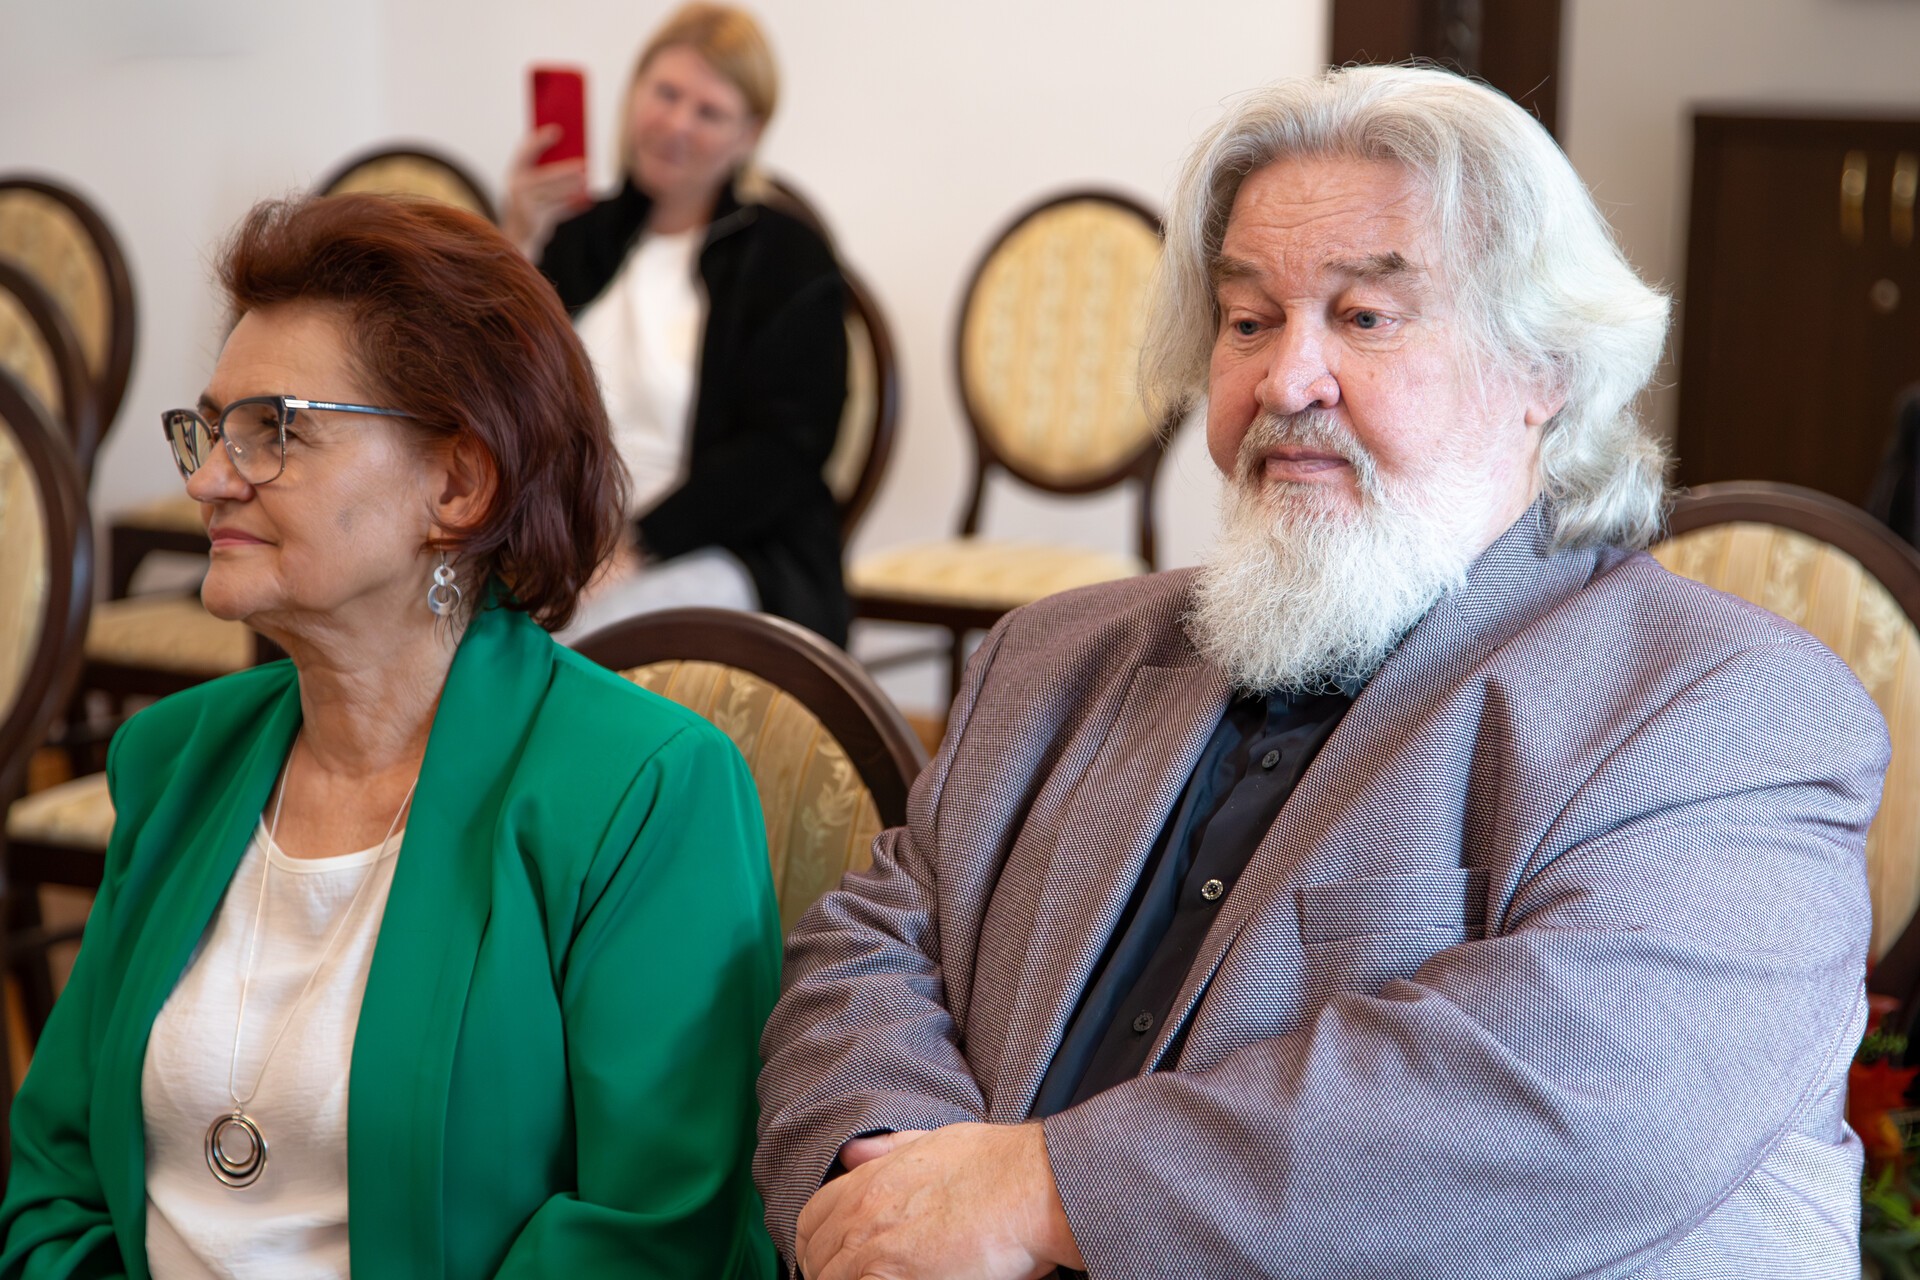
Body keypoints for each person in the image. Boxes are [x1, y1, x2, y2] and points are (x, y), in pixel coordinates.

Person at [754, 65, 1890, 1279]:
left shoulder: (1725, 706)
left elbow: (1583, 1095)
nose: (1286, 381)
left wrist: (1035, 1194)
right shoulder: (1053, 657)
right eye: (1248, 320)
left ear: (1544, 371)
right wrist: (902, 1179)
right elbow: (870, 942)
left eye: (1365, 317)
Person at [1, 193, 781, 1279]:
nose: (207, 478)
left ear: (457, 483)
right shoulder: (174, 758)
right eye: (211, 429)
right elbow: (53, 1175)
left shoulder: (643, 790)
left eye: (273, 430)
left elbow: (657, 1237)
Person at [503, 2, 850, 646]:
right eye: (665, 93)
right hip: (563, 544)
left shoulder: (787, 256)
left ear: (749, 133)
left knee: (564, 641)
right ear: (635, 91)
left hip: (723, 552)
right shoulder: (579, 237)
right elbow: (498, 390)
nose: (676, 124)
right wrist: (519, 239)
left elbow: (783, 454)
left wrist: (631, 547)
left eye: (709, 111)